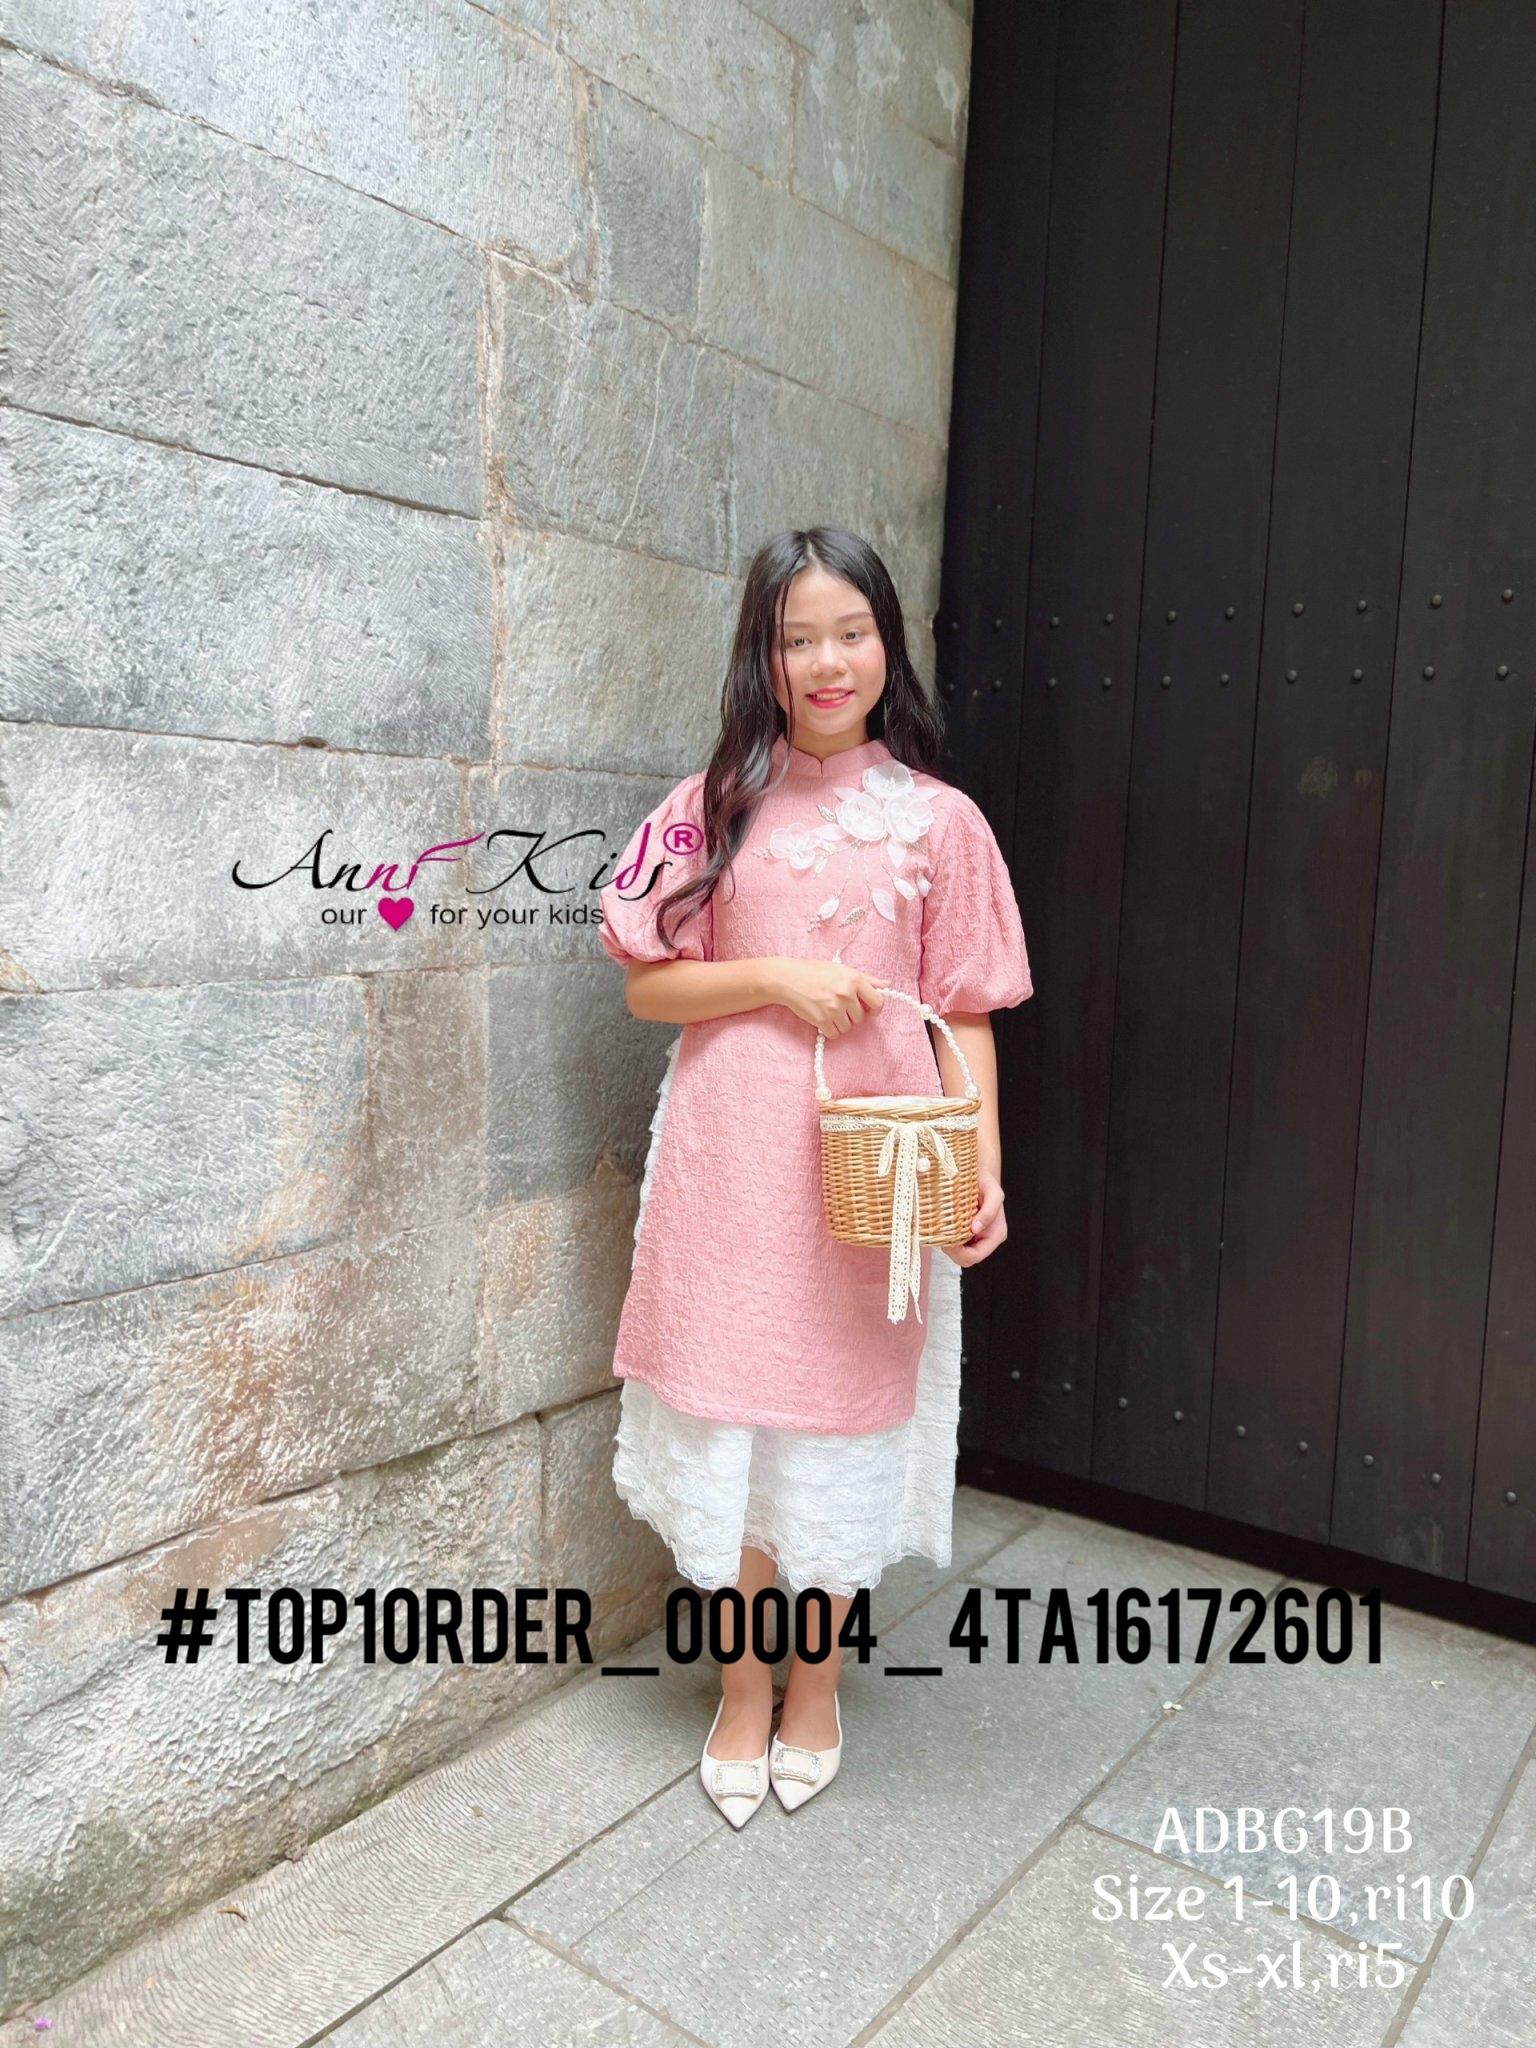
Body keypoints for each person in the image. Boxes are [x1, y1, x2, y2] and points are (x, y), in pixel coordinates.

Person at [595, 527, 1034, 1828]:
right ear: (765, 657)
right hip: (728, 1162)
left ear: (886, 643)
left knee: (843, 1422)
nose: (828, 661)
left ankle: (818, 1688)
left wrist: (980, 1164)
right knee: (733, 1424)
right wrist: (777, 979)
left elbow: (969, 1008)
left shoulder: (942, 821)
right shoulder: (706, 805)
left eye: (852, 631)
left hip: (875, 1167)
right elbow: (646, 985)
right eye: (798, 639)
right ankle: (743, 1690)